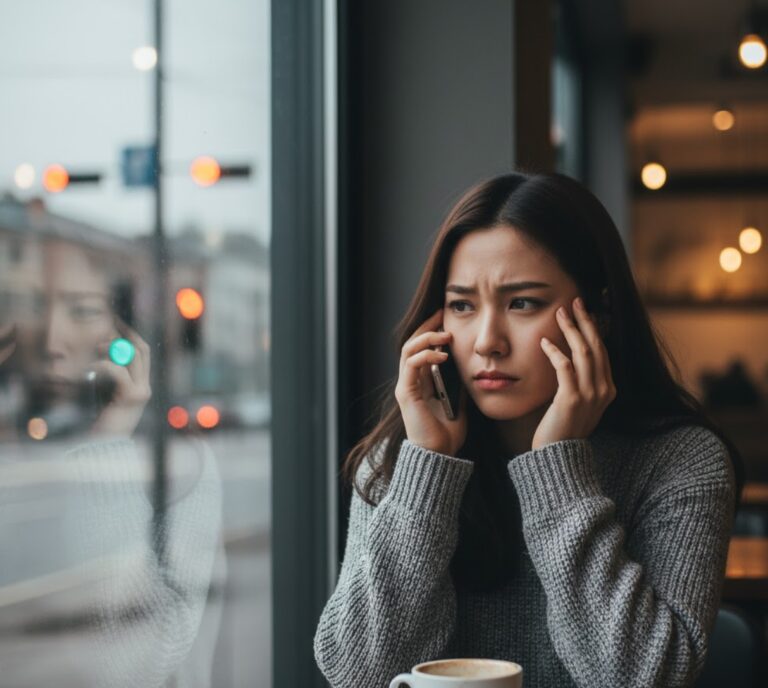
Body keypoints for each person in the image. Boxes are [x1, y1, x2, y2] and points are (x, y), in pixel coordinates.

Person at [313, 172, 743, 688]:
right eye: (463, 305)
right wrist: (426, 473)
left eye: (522, 303)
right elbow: (355, 673)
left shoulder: (681, 461)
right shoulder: (400, 460)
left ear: (598, 317)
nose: (487, 341)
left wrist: (559, 468)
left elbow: (642, 679)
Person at [0, 238, 225, 688]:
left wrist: (113, 431)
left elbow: (132, 661)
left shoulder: (181, 465)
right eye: (31, 307)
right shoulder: (27, 445)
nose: (51, 340)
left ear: (126, 339)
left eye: (81, 311)